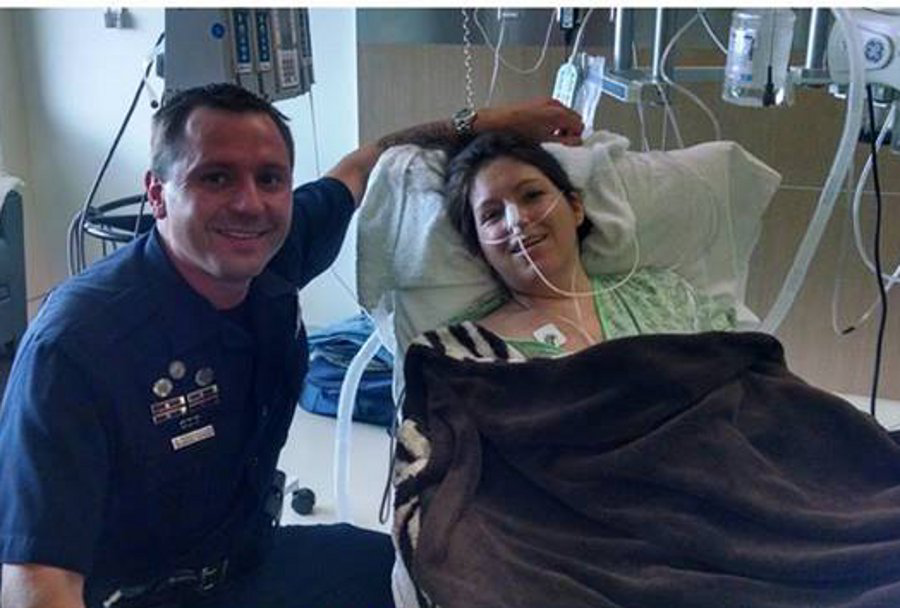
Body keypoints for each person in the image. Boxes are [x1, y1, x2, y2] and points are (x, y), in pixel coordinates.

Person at [0, 83, 584, 608]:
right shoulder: (78, 346)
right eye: (215, 177)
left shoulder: (272, 251)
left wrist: (485, 123)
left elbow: (364, 163)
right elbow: (38, 586)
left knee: (430, 578)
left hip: (247, 563)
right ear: (157, 193)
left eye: (270, 178)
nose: (250, 203)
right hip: (131, 595)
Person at [443, 131, 735, 358]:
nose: (516, 220)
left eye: (531, 195)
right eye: (492, 214)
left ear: (575, 208)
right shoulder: (466, 347)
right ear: (479, 248)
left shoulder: (662, 295)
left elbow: (741, 376)